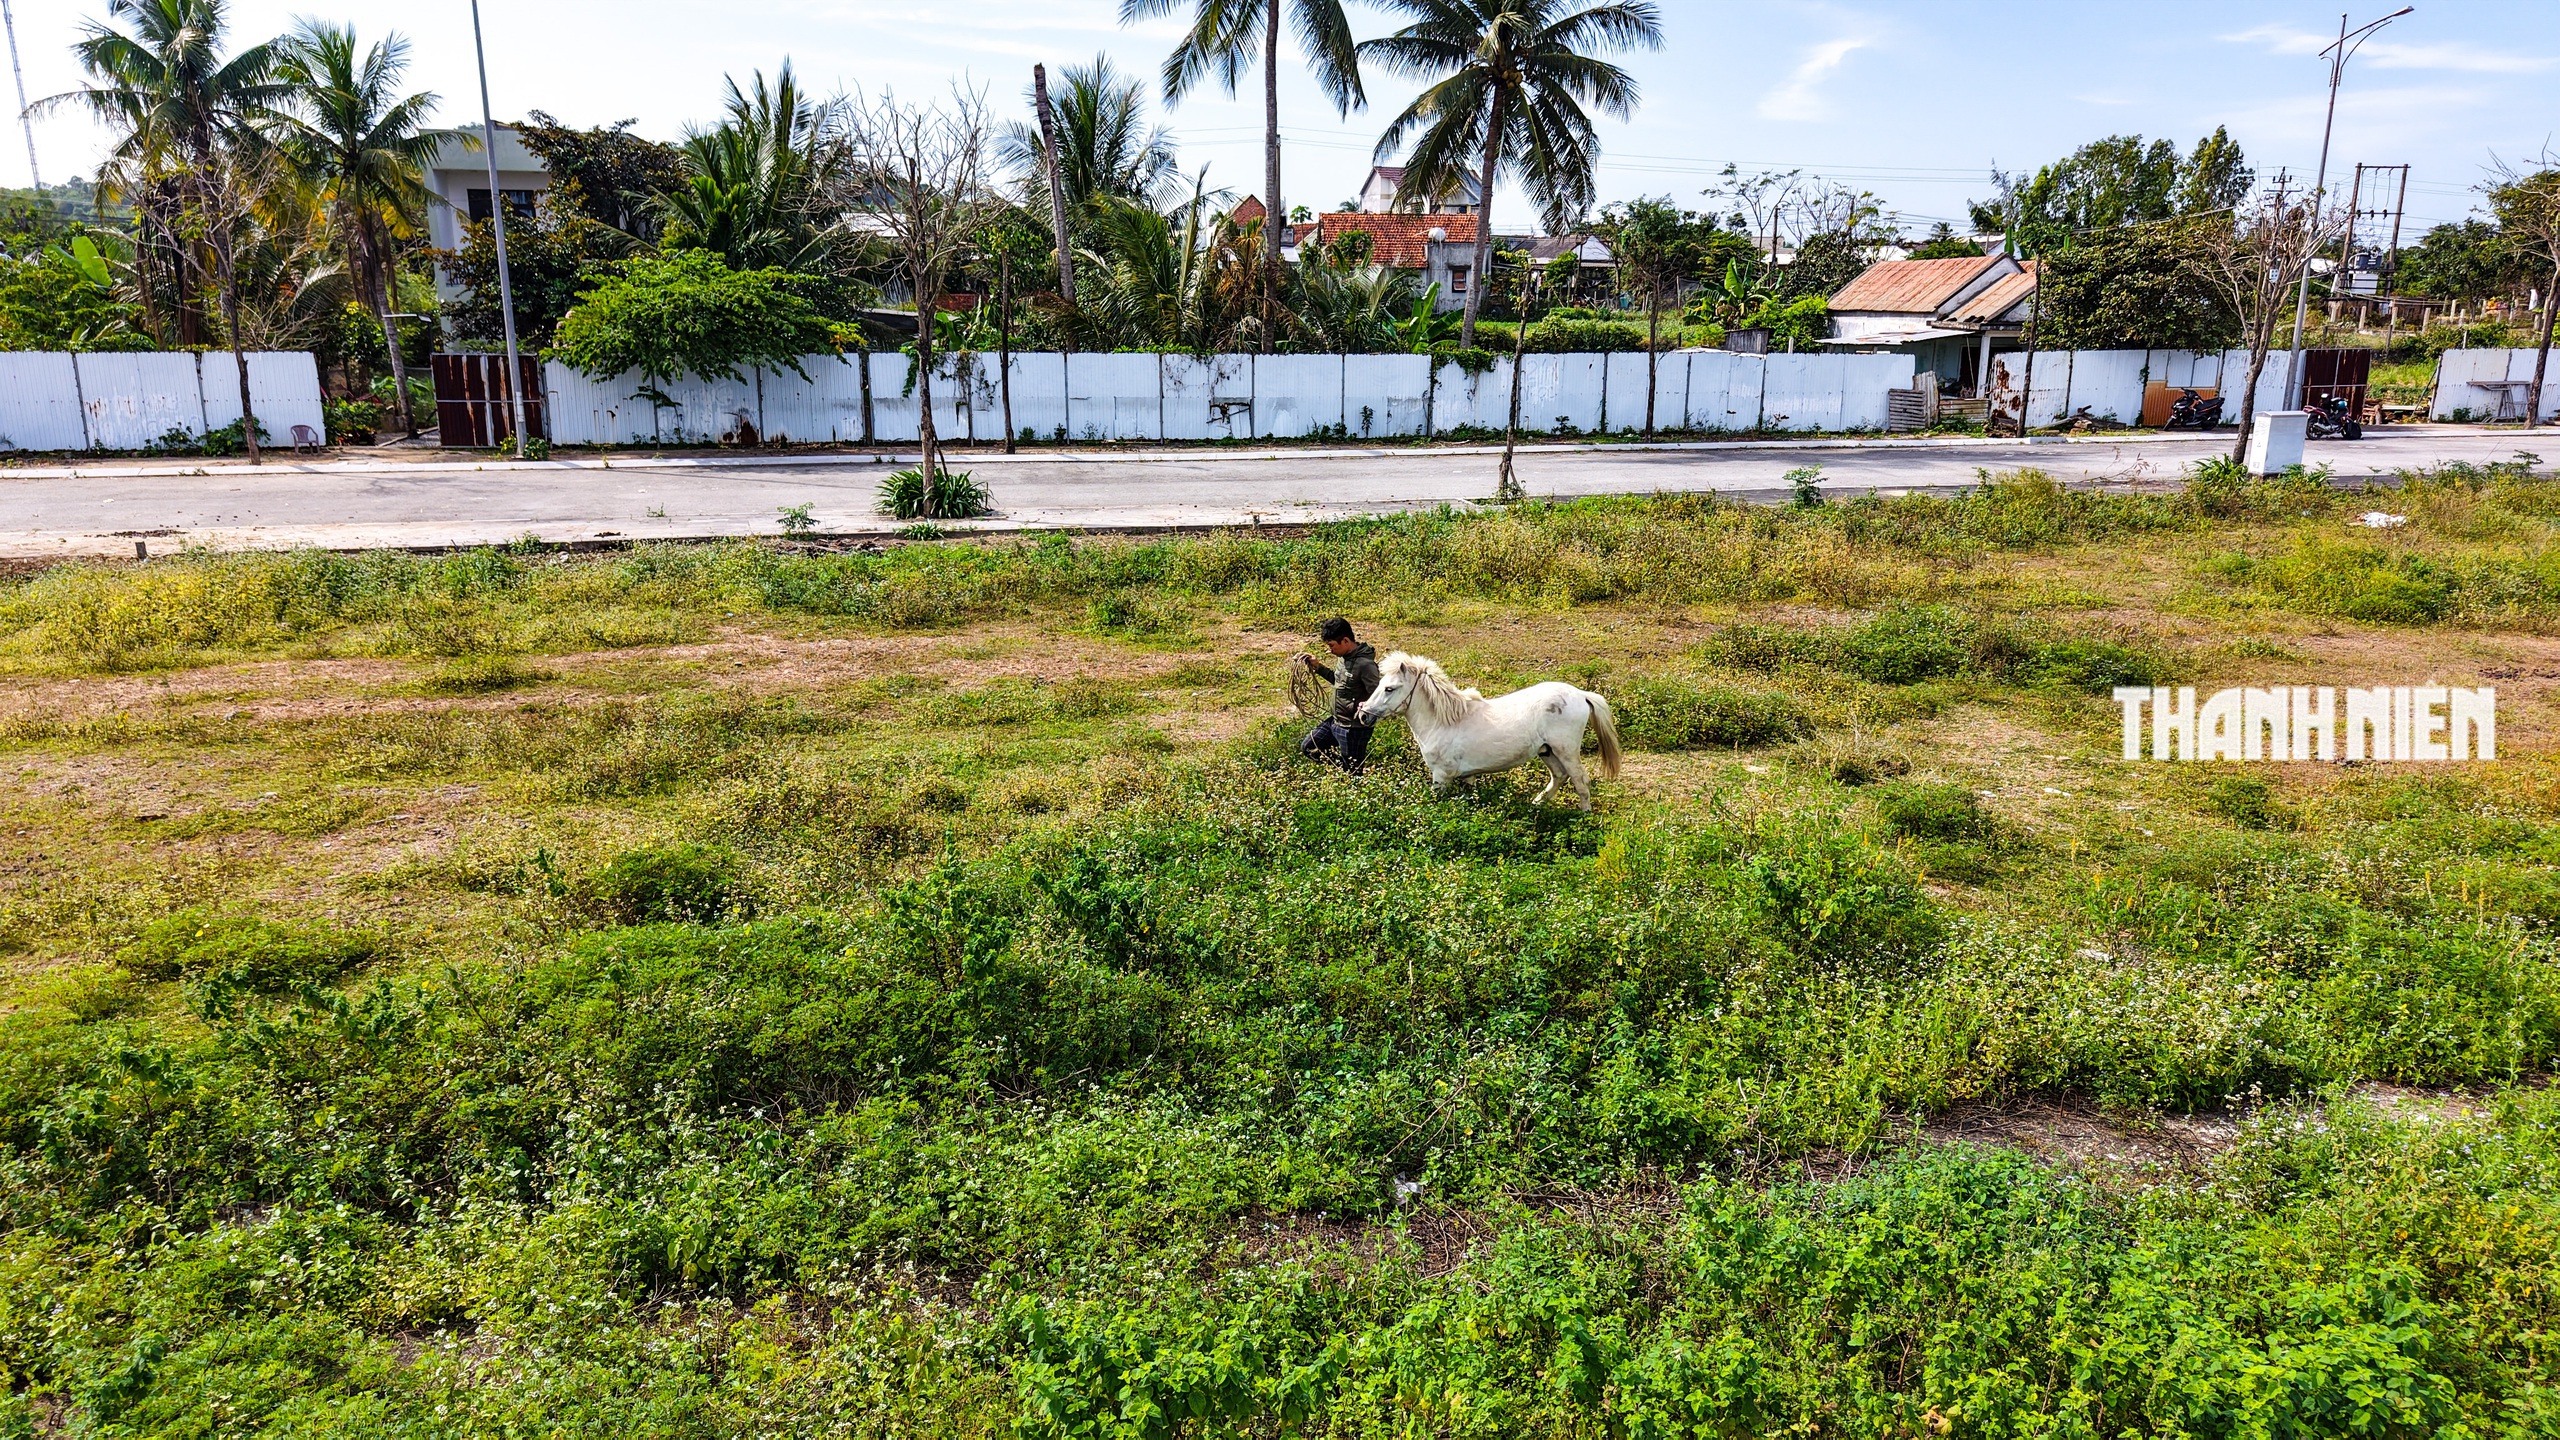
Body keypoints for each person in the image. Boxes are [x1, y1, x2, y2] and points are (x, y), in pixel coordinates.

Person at [1298, 617, 1381, 774]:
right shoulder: (1343, 658)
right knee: (1309, 747)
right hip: (1336, 721)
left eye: (1331, 645)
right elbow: (1338, 681)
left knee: (1353, 775)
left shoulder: (1366, 665)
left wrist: (1366, 706)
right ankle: (1343, 769)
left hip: (1353, 728)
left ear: (1345, 641)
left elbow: (1378, 695)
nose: (1330, 650)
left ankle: (1351, 774)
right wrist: (1318, 667)